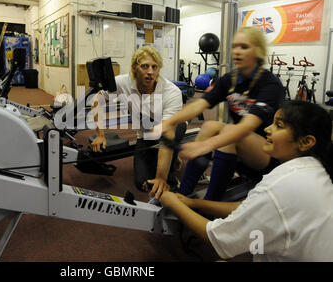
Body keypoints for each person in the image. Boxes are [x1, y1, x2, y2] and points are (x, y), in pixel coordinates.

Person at [159, 100, 333, 261]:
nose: (267, 129)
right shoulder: (316, 170)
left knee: (209, 253)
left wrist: (173, 202)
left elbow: (218, 240)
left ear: (306, 142)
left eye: (278, 126)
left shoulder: (280, 184)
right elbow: (247, 207)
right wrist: (192, 203)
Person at [156, 26, 284, 200]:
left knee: (231, 133)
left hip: (270, 155)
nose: (237, 51)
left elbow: (247, 126)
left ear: (258, 51)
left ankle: (211, 202)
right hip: (240, 151)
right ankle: (183, 193)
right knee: (209, 125)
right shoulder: (230, 79)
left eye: (244, 47)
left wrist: (206, 146)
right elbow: (200, 104)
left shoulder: (270, 84)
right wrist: (170, 121)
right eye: (235, 46)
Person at [91, 46, 186, 199]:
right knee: (142, 182)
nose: (150, 71)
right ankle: (167, 158)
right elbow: (97, 99)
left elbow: (167, 135)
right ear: (135, 68)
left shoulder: (172, 92)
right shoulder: (123, 82)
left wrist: (162, 178)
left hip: (172, 128)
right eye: (145, 66)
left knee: (162, 176)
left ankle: (172, 163)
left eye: (154, 67)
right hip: (145, 133)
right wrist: (100, 134)